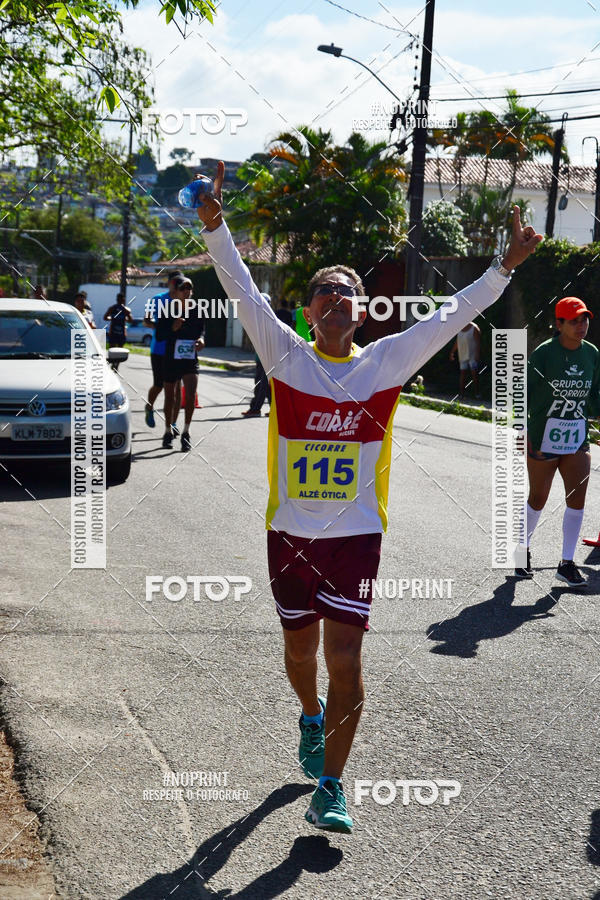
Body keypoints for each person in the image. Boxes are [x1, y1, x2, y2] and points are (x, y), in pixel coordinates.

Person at [197, 161, 542, 834]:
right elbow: (240, 288)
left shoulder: (385, 364)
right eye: (322, 292)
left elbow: (453, 313)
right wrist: (216, 225)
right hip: (289, 538)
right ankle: (308, 716)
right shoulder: (285, 357)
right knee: (300, 656)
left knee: (346, 659)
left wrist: (506, 266)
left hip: (355, 539)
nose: (333, 301)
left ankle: (331, 785)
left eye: (345, 292)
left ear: (362, 312)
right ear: (309, 310)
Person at [515, 297, 600, 586]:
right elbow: (521, 392)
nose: (581, 325)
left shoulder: (592, 354)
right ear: (559, 324)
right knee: (538, 497)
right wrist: (522, 430)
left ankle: (566, 563)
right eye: (574, 320)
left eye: (584, 319)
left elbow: (595, 396)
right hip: (542, 436)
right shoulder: (543, 354)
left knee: (577, 500)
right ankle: (521, 550)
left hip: (577, 437)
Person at [162, 276, 205, 452]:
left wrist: (201, 340)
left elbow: (202, 331)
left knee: (190, 395)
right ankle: (167, 431)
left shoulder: (198, 310)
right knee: (170, 397)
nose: (186, 291)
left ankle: (186, 432)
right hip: (171, 358)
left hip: (190, 358)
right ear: (177, 292)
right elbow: (161, 334)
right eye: (183, 289)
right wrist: (174, 327)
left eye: (189, 288)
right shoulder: (168, 309)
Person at [242, 295, 295, 418]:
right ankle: (273, 409)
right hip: (261, 356)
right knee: (264, 383)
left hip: (268, 357)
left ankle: (256, 408)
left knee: (262, 383)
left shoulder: (270, 318)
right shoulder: (259, 318)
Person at [143, 271, 183, 433]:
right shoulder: (157, 299)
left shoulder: (185, 301)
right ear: (171, 283)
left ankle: (173, 423)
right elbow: (146, 321)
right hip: (159, 348)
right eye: (177, 282)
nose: (179, 285)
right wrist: (160, 328)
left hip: (177, 351)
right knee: (159, 385)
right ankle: (149, 406)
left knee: (177, 388)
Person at [449, 321, 481, 398]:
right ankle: (461, 394)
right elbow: (457, 341)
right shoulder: (459, 327)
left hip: (472, 356)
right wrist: (452, 352)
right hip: (462, 355)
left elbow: (478, 343)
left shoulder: (474, 328)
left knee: (474, 374)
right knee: (463, 374)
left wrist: (477, 354)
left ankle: (477, 393)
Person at [104, 292, 132, 369]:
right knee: (113, 349)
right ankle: (114, 363)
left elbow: (130, 320)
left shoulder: (125, 310)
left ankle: (116, 365)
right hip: (113, 332)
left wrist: (124, 317)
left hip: (121, 333)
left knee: (119, 350)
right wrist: (113, 318)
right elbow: (105, 317)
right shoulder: (112, 308)